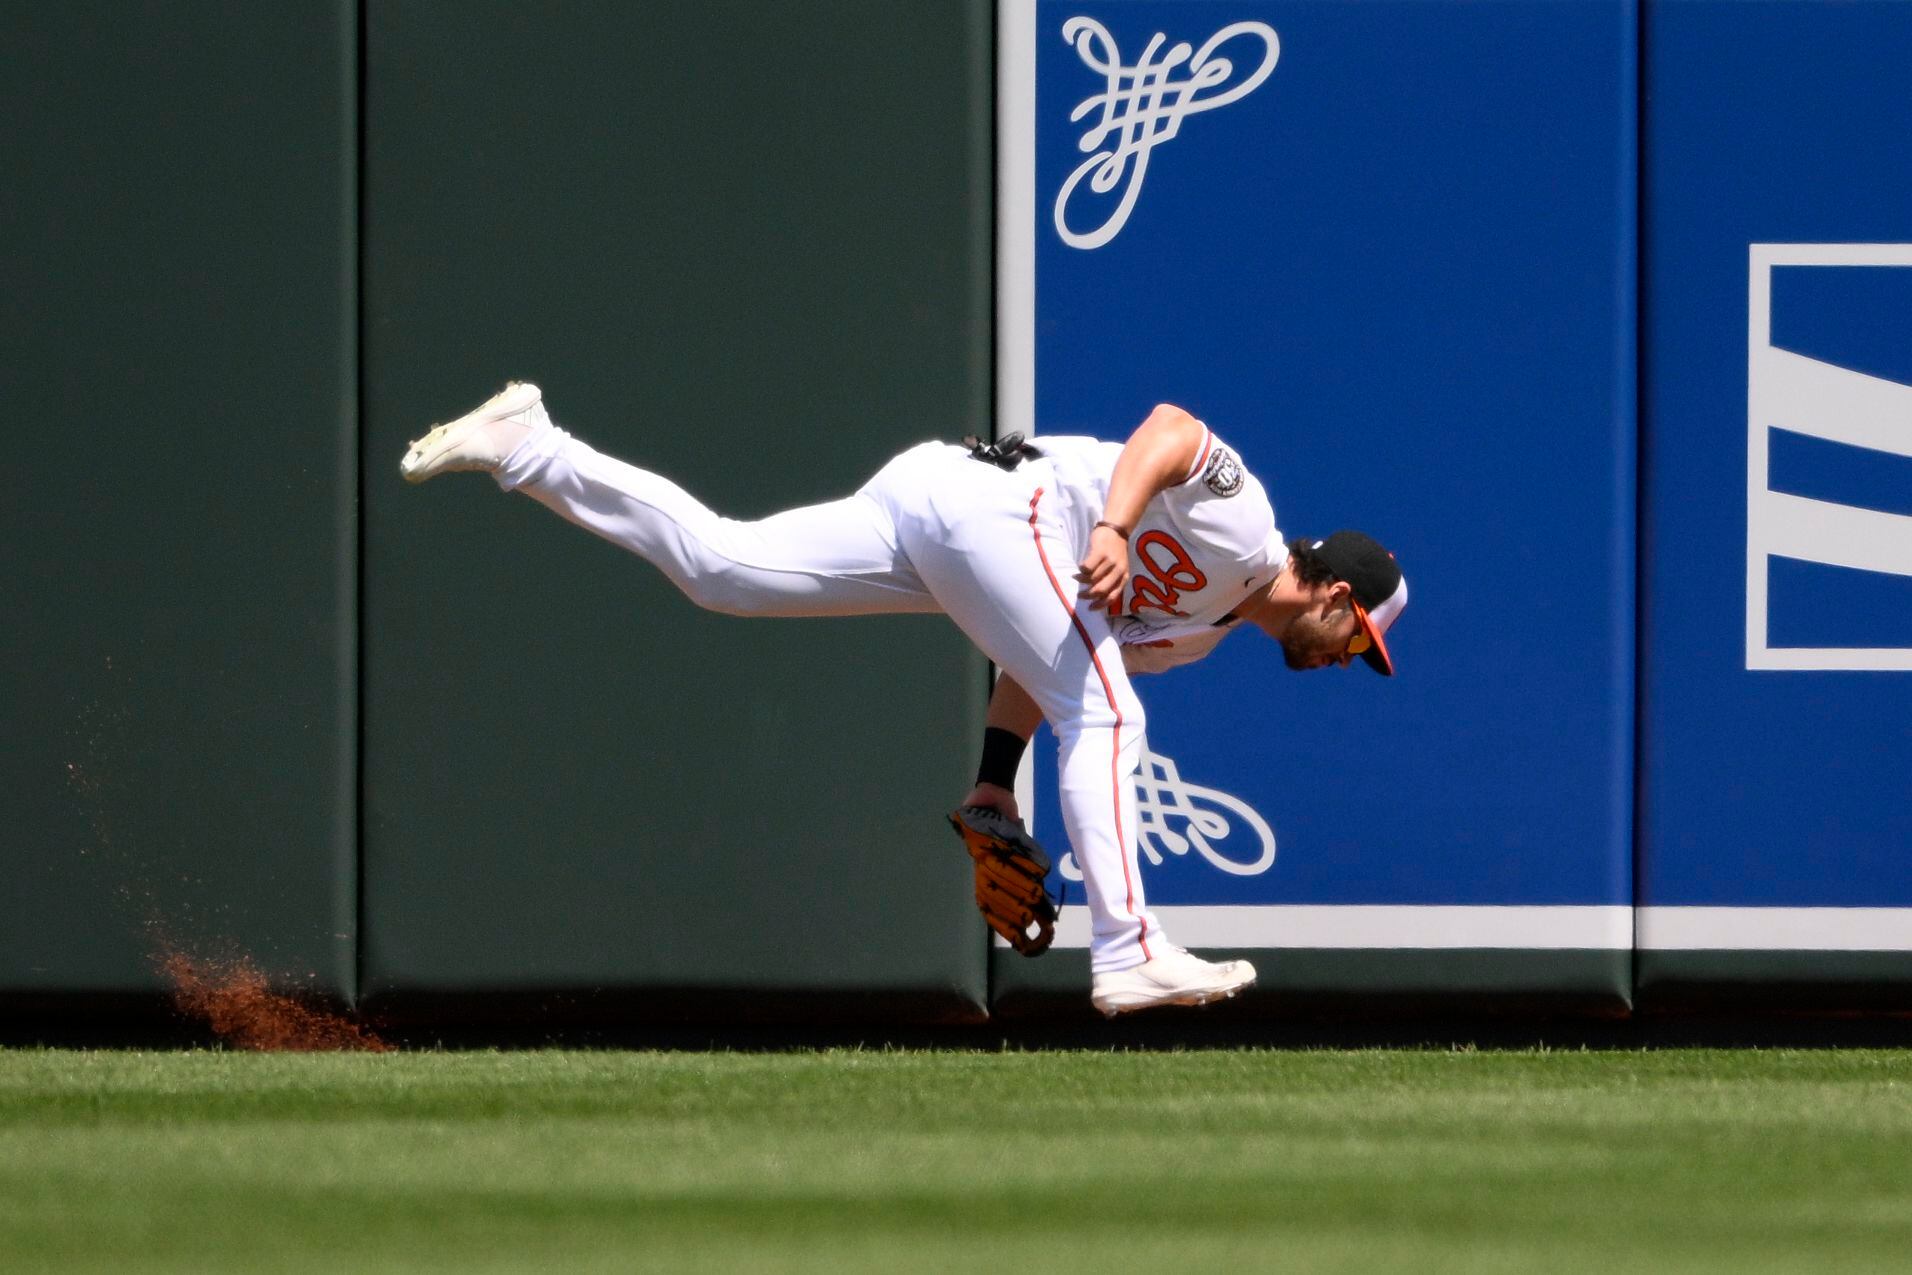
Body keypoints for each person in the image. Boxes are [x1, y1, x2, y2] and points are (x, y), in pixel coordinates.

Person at [401, 384, 1408, 1016]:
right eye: (1355, 638)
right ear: (1332, 594)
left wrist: (990, 789)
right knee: (1107, 716)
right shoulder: (1246, 532)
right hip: (994, 501)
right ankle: (1129, 949)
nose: (1345, 658)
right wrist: (1112, 525)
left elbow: (1037, 660)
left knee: (727, 570)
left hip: (938, 507)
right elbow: (1170, 427)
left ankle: (532, 448)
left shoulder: (1193, 638)